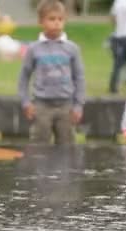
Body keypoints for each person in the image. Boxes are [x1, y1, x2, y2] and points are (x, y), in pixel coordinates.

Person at [18, 0, 85, 145]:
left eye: (60, 19)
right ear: (41, 22)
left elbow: (79, 77)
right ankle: (42, 168)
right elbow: (24, 77)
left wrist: (78, 105)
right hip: (42, 106)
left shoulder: (72, 49)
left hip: (66, 105)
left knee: (66, 145)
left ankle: (65, 169)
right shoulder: (34, 49)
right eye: (52, 19)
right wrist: (26, 102)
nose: (56, 23)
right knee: (40, 144)